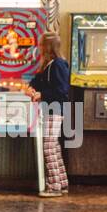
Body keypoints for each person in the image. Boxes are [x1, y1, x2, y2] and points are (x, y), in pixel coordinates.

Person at [27, 32, 71, 197]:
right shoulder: (50, 64)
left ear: (47, 47)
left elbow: (61, 91)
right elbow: (38, 81)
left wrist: (41, 94)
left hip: (55, 109)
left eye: (41, 44)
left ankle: (54, 187)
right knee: (54, 147)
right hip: (53, 109)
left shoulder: (57, 64)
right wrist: (31, 87)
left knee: (48, 147)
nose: (38, 47)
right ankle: (62, 183)